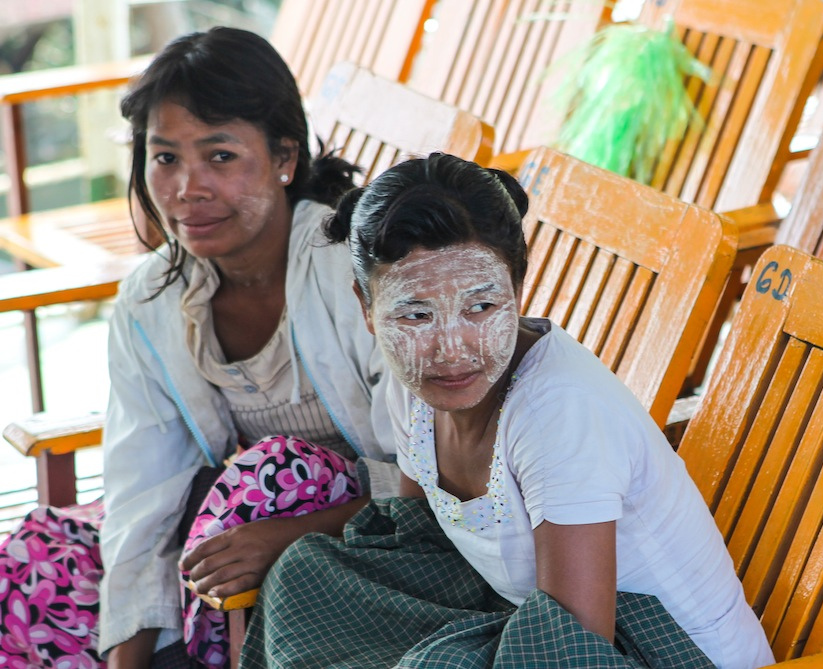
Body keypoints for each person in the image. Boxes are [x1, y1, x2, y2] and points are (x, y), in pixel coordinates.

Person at [239, 153, 775, 668]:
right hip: (527, 618)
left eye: (481, 306)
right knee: (307, 576)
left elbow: (574, 647)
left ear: (518, 289)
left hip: (650, 651)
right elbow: (414, 541)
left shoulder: (559, 411)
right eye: (415, 313)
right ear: (367, 307)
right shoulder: (412, 385)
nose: (451, 349)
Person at [0, 27, 397, 669]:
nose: (187, 189)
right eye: (164, 159)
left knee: (268, 472)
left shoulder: (354, 273)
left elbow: (445, 468)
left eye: (219, 157)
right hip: (231, 535)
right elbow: (144, 492)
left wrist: (289, 533)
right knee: (32, 562)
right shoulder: (153, 300)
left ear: (284, 157)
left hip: (376, 541)